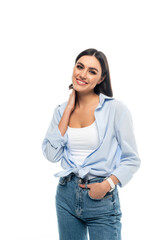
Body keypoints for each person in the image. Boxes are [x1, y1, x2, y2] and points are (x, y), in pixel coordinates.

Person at [42, 48, 141, 240]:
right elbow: (51, 154)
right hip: (66, 195)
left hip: (101, 197)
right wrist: (69, 108)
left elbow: (132, 159)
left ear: (101, 78)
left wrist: (107, 185)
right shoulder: (61, 111)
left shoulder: (115, 109)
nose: (83, 74)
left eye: (92, 71)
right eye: (80, 67)